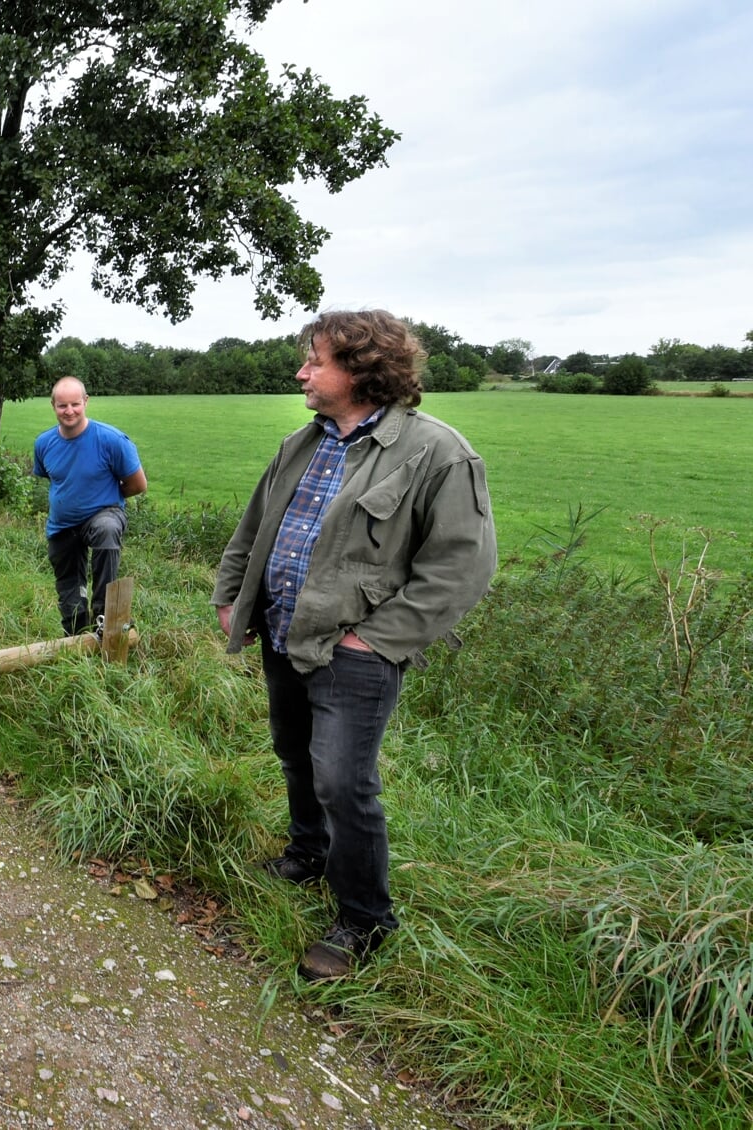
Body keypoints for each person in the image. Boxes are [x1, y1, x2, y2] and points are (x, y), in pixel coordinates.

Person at [212, 310, 496, 982]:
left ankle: (363, 921)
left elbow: (462, 566)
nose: (301, 372)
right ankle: (306, 855)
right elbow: (255, 526)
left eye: (315, 361)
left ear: (363, 369)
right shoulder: (302, 443)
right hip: (283, 635)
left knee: (344, 782)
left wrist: (375, 641)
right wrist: (233, 597)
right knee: (294, 758)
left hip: (354, 654)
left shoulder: (438, 453)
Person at [33, 376, 147, 636]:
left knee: (106, 529)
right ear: (53, 406)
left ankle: (104, 616)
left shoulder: (112, 440)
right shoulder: (44, 444)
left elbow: (138, 484)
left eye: (75, 404)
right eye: (62, 406)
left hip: (103, 514)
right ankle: (75, 633)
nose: (69, 411)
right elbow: (58, 479)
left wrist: (104, 498)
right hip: (62, 525)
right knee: (70, 591)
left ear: (86, 402)